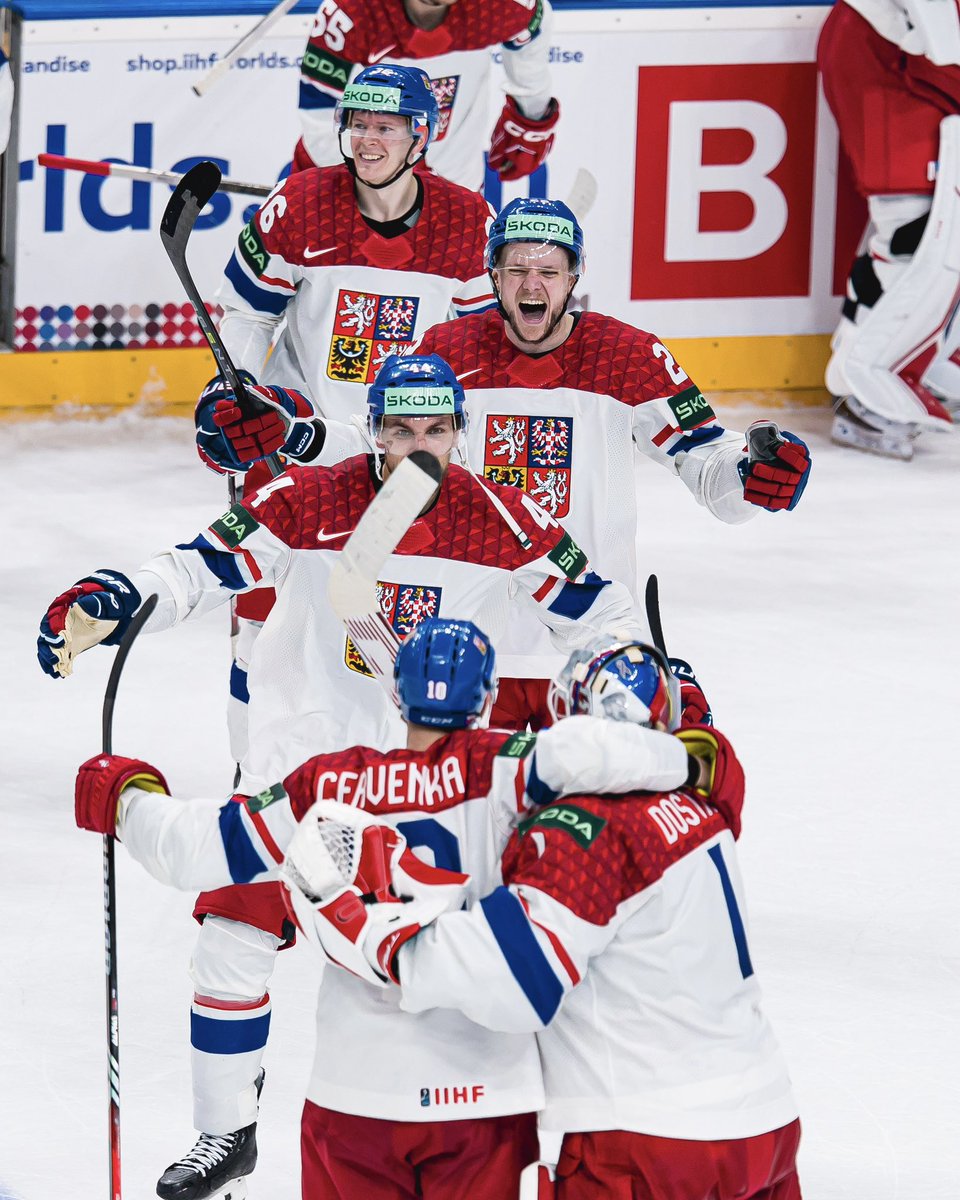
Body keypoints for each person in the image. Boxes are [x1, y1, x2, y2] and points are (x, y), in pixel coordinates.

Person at [38, 354, 655, 1200]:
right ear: (372, 431)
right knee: (230, 947)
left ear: (459, 432)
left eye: (437, 430)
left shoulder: (504, 516)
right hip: (300, 772)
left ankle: (500, 1133)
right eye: (401, 430)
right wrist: (118, 594)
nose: (420, 449)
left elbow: (601, 611)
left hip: (426, 784)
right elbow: (196, 568)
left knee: (441, 977)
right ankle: (225, 1136)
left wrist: (635, 672)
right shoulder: (307, 500)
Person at [72, 619, 708, 1199]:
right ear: (489, 699)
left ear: (395, 697)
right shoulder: (522, 771)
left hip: (353, 1099)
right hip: (485, 1103)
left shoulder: (329, 781)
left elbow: (193, 850)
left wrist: (125, 796)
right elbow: (641, 772)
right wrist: (688, 729)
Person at [208, 197, 812, 729]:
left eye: (549, 270)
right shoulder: (446, 352)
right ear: (492, 274)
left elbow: (708, 465)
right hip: (466, 649)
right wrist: (292, 433)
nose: (532, 283)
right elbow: (379, 448)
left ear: (574, 276)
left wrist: (750, 478)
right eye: (517, 267)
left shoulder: (632, 357)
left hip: (587, 638)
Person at [297, 638, 803, 1199]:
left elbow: (513, 977)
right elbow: (719, 761)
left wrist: (378, 936)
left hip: (645, 1138)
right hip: (768, 1123)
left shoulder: (584, 827)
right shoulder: (703, 798)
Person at [204, 60, 496, 764]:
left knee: (372, 627)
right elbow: (245, 312)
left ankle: (388, 775)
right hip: (291, 447)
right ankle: (253, 782)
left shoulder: (467, 223)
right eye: (357, 123)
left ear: (422, 137)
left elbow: (481, 353)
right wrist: (234, 392)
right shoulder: (299, 204)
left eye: (386, 126)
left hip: (401, 463)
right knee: (261, 623)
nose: (367, 140)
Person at [818, 0, 960, 459]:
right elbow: (943, 43)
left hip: (916, 54)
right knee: (915, 232)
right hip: (895, 52)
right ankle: (868, 397)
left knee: (929, 228)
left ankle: (928, 364)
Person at [294, 0, 559, 191]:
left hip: (454, 185)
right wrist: (385, 183)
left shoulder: (497, 7)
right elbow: (318, 114)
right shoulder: (350, 12)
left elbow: (536, 21)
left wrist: (530, 112)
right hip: (348, 188)